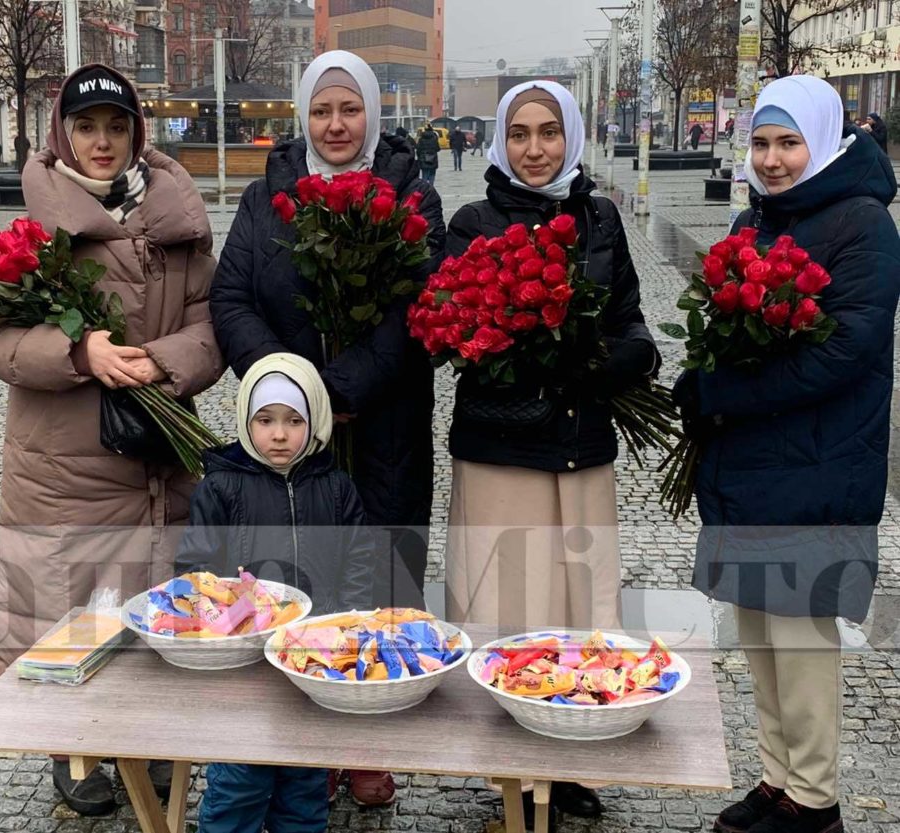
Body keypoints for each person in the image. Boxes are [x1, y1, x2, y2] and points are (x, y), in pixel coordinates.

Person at [0, 63, 224, 816]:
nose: (102, 142)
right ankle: (72, 749)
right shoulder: (33, 228)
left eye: (116, 127)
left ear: (137, 132)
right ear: (64, 135)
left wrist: (166, 361)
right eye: (87, 127)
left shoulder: (177, 223)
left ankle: (145, 739)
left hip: (155, 453)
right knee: (66, 600)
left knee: (153, 599)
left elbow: (214, 323)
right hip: (65, 460)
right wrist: (79, 353)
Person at [209, 49, 446, 807]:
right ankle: (294, 739)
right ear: (304, 116)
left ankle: (370, 741)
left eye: (349, 109)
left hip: (385, 425)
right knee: (295, 573)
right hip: (293, 431)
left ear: (372, 113)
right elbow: (231, 298)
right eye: (322, 110)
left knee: (379, 575)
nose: (336, 124)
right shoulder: (264, 196)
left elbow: (420, 310)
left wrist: (345, 387)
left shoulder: (413, 193)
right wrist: (296, 390)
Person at [674, 75, 900, 833]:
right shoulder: (758, 219)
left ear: (824, 141)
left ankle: (815, 799)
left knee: (802, 636)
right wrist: (703, 376)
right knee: (759, 629)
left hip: (819, 462)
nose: (772, 160)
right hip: (752, 462)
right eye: (763, 144)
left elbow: (845, 351)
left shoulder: (861, 223)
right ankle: (779, 778)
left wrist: (722, 392)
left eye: (788, 143)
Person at [444, 80, 659, 824]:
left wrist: (605, 361)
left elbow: (634, 327)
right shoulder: (472, 222)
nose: (535, 149)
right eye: (520, 134)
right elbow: (449, 332)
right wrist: (520, 345)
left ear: (569, 135)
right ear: (502, 142)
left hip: (578, 450)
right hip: (501, 450)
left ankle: (568, 759)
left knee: (578, 612)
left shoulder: (599, 219)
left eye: (549, 132)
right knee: (508, 610)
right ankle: (512, 766)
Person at [178, 352, 372, 832]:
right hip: (243, 661)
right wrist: (227, 616)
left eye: (293, 420)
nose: (279, 434)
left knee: (304, 780)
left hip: (312, 658)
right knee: (240, 775)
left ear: (316, 422)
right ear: (247, 420)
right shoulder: (221, 486)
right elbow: (196, 571)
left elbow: (360, 558)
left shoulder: (336, 486)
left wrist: (346, 622)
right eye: (265, 420)